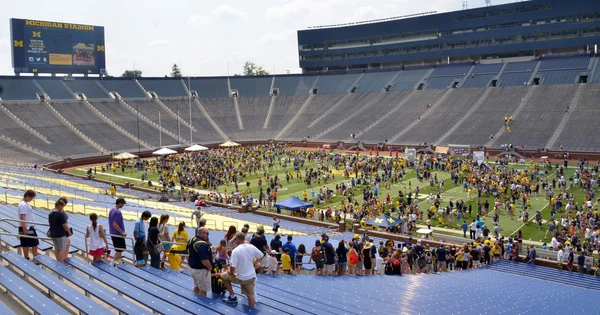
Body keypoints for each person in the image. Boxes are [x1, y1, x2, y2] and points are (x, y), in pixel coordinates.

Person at [221, 232, 265, 308]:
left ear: (237, 239)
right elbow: (261, 255)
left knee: (223, 276)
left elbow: (232, 267)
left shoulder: (236, 251)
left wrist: (230, 272)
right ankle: (251, 310)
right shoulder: (251, 247)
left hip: (240, 277)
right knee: (251, 295)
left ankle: (232, 295)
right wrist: (253, 263)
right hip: (251, 277)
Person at [188, 227, 213, 296]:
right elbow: (204, 259)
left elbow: (189, 253)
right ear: (202, 233)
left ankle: (195, 302)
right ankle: (201, 305)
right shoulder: (203, 245)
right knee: (203, 289)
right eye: (207, 233)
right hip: (201, 270)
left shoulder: (192, 239)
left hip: (192, 267)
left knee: (196, 286)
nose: (208, 235)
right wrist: (210, 267)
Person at [18, 190, 38, 260]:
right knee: (31, 243)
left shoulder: (24, 203)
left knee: (32, 243)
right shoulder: (23, 205)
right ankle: (32, 257)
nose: (31, 200)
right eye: (31, 198)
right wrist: (25, 229)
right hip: (27, 227)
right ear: (27, 196)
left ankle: (32, 257)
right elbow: (22, 217)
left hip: (27, 227)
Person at [108, 198, 127, 266]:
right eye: (123, 204)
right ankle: (112, 262)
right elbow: (115, 224)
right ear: (120, 203)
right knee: (119, 250)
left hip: (113, 233)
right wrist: (122, 232)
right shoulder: (117, 212)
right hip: (117, 234)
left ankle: (120, 261)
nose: (123, 205)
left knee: (119, 249)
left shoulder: (112, 210)